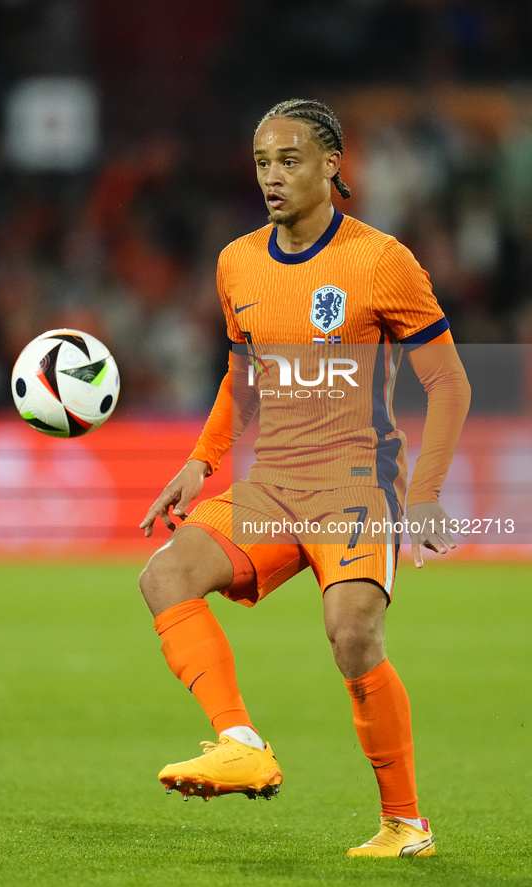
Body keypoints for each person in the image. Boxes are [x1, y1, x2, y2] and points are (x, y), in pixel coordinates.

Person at [139, 98, 471, 858]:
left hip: (356, 485)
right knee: (164, 575)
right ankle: (240, 741)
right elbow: (242, 376)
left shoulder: (380, 260)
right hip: (272, 486)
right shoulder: (236, 262)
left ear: (331, 166)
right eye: (261, 162)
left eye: (289, 159)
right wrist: (200, 461)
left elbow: (449, 382)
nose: (271, 176)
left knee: (352, 635)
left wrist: (423, 494)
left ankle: (404, 823)